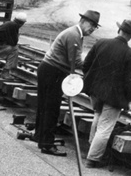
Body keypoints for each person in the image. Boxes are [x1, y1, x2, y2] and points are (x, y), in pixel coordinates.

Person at [33, 10, 100, 156]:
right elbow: (75, 61)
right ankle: (47, 144)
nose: (92, 29)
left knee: (44, 106)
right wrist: (94, 69)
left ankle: (40, 137)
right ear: (82, 21)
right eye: (91, 24)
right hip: (54, 71)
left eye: (95, 27)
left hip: (48, 68)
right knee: (52, 108)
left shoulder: (74, 33)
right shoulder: (74, 35)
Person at [82, 19, 131, 167]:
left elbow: (86, 64)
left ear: (119, 30)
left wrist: (92, 81)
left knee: (97, 117)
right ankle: (93, 159)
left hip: (95, 91)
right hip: (113, 96)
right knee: (105, 127)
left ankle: (91, 150)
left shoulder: (101, 42)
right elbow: (128, 80)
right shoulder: (130, 54)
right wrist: (129, 99)